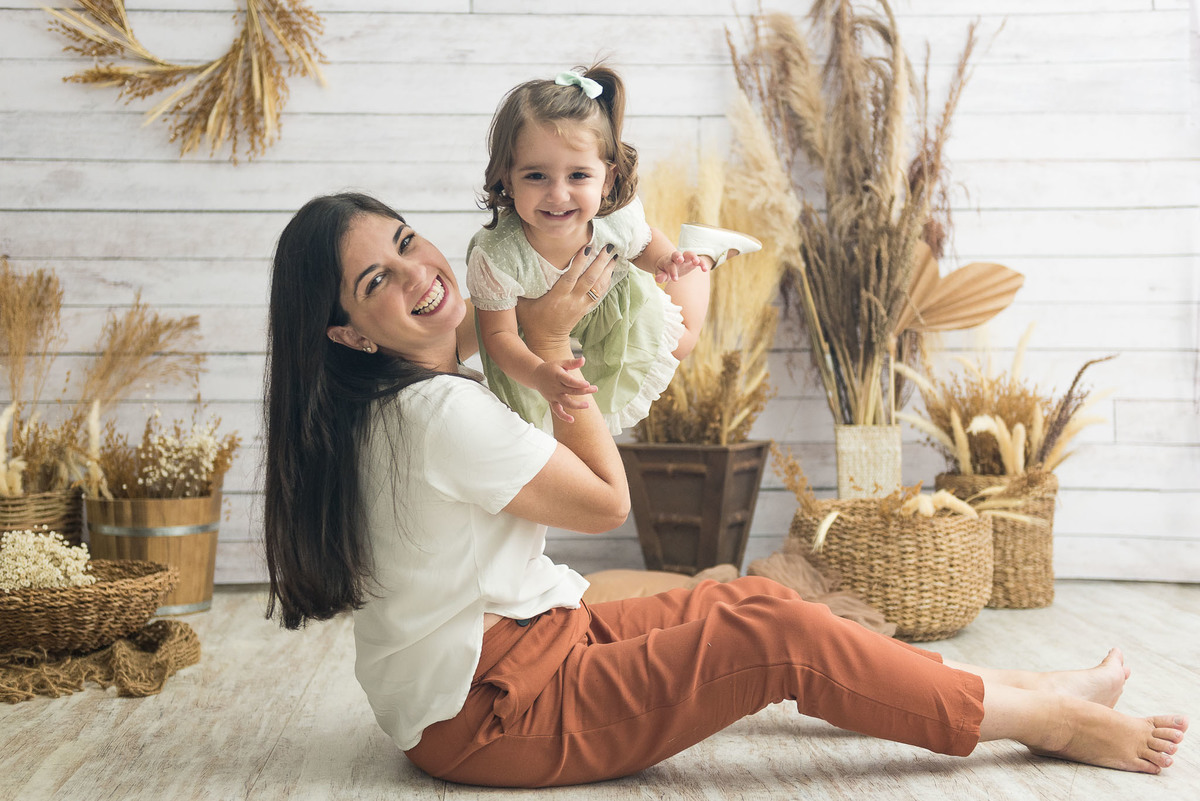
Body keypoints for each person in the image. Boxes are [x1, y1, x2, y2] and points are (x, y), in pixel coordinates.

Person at [262, 191, 1187, 789]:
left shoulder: (384, 398)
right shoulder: (436, 415)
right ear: (347, 331)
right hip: (494, 710)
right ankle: (1049, 719)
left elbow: (485, 334)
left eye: (407, 240)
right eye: (378, 279)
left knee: (743, 596)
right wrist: (550, 351)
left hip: (505, 654)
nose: (422, 271)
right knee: (773, 633)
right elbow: (604, 503)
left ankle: (1022, 682)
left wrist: (576, 284)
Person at [467, 64, 760, 433]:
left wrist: (666, 260)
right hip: (549, 327)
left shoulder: (612, 221)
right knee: (545, 410)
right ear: (507, 179)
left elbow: (645, 243)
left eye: (578, 175)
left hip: (612, 303)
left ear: (608, 180)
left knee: (680, 342)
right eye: (536, 176)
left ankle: (700, 254)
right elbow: (499, 336)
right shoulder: (496, 255)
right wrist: (539, 374)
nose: (558, 194)